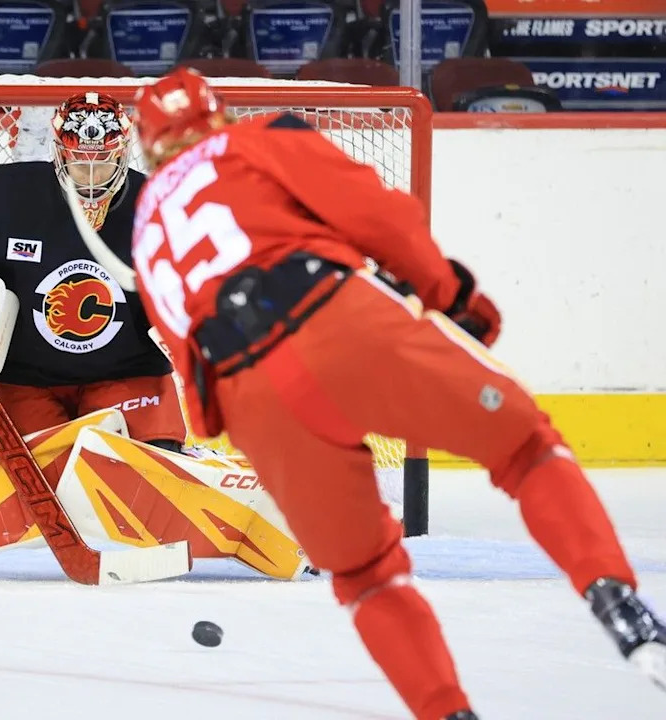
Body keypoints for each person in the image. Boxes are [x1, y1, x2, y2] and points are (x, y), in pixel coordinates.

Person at [127, 68, 665, 719]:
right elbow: (376, 213)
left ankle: (447, 712)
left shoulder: (146, 225)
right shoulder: (257, 137)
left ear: (147, 144)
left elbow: (194, 384)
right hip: (336, 318)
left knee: (365, 576)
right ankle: (618, 603)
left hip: (251, 397)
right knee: (524, 446)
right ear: (216, 113)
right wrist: (449, 294)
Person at [0, 91, 187, 453]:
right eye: (78, 161)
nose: (90, 175)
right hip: (26, 380)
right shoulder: (7, 194)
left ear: (123, 154)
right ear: (58, 154)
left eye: (102, 161)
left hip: (128, 376)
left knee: (148, 466)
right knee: (40, 484)